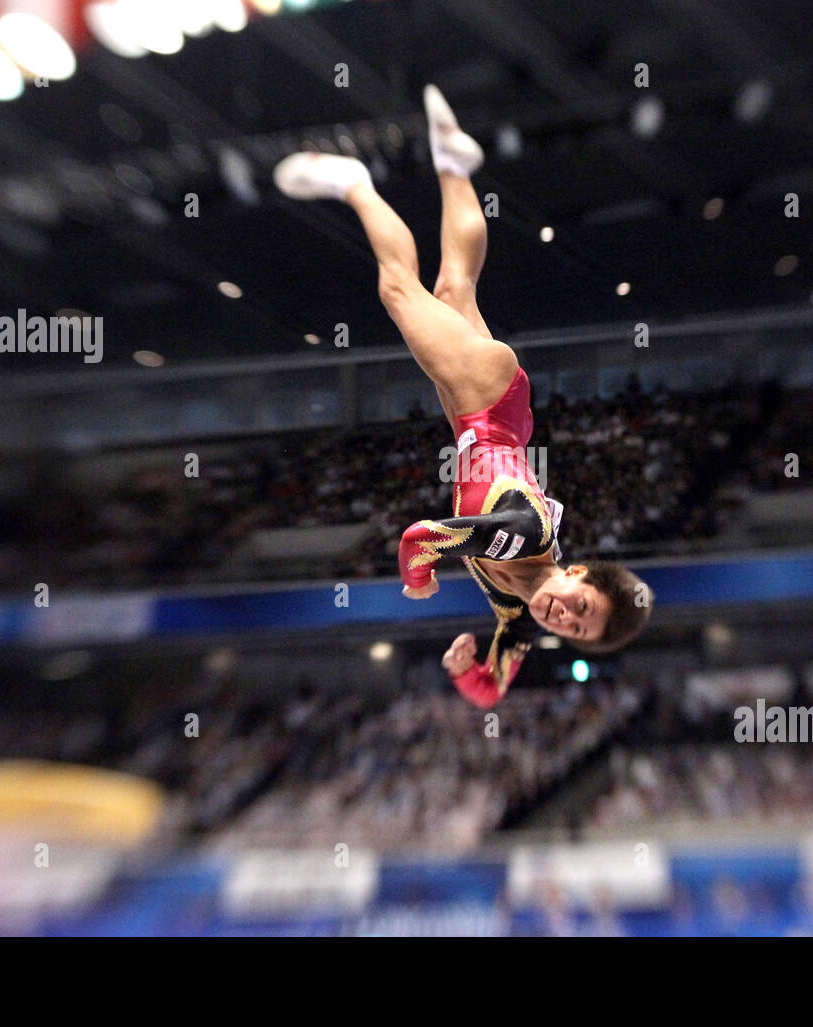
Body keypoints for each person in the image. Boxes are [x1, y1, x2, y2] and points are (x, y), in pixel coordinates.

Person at [275, 86, 651, 708]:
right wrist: (417, 582)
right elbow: (422, 537)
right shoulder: (525, 536)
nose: (562, 616)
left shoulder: (516, 608)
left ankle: (454, 162)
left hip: (492, 416)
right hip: (487, 399)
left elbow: (489, 693)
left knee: (453, 286)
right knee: (399, 290)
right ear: (579, 572)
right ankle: (354, 183)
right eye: (579, 606)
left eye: (575, 630)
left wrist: (463, 669)